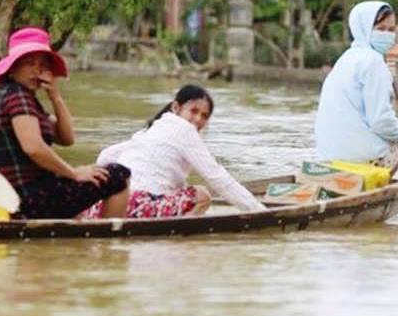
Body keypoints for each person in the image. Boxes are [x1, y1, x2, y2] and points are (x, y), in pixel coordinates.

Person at [0, 27, 131, 219]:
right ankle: (108, 235)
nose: (37, 70)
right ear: (12, 69)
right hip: (28, 198)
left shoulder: (24, 99)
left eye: (42, 65)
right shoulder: (17, 96)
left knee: (90, 179)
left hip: (27, 194)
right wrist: (74, 173)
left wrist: (55, 96)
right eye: (29, 63)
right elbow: (33, 148)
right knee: (118, 176)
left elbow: (67, 138)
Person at [80, 85, 265, 218]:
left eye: (204, 116)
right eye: (194, 111)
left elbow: (106, 155)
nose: (198, 119)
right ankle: (176, 239)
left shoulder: (151, 130)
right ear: (176, 108)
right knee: (202, 195)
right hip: (137, 207)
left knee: (181, 189)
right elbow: (218, 178)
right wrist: (258, 210)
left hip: (106, 206)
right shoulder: (184, 130)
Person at [313, 0, 398, 168]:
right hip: (356, 156)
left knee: (396, 130)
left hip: (327, 154)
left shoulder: (347, 57)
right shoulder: (373, 61)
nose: (387, 35)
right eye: (380, 29)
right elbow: (381, 122)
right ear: (363, 28)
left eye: (391, 30)